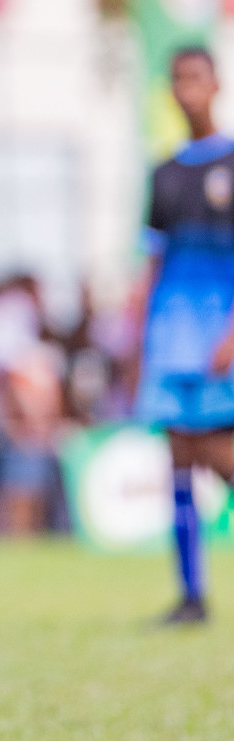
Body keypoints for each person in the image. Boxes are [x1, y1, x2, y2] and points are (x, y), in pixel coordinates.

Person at [134, 46, 234, 624]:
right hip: (173, 333)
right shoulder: (164, 172)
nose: (185, 88)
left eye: (195, 77)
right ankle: (191, 595)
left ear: (216, 84)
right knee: (176, 456)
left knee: (218, 453)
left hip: (220, 330)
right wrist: (143, 335)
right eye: (177, 79)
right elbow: (153, 262)